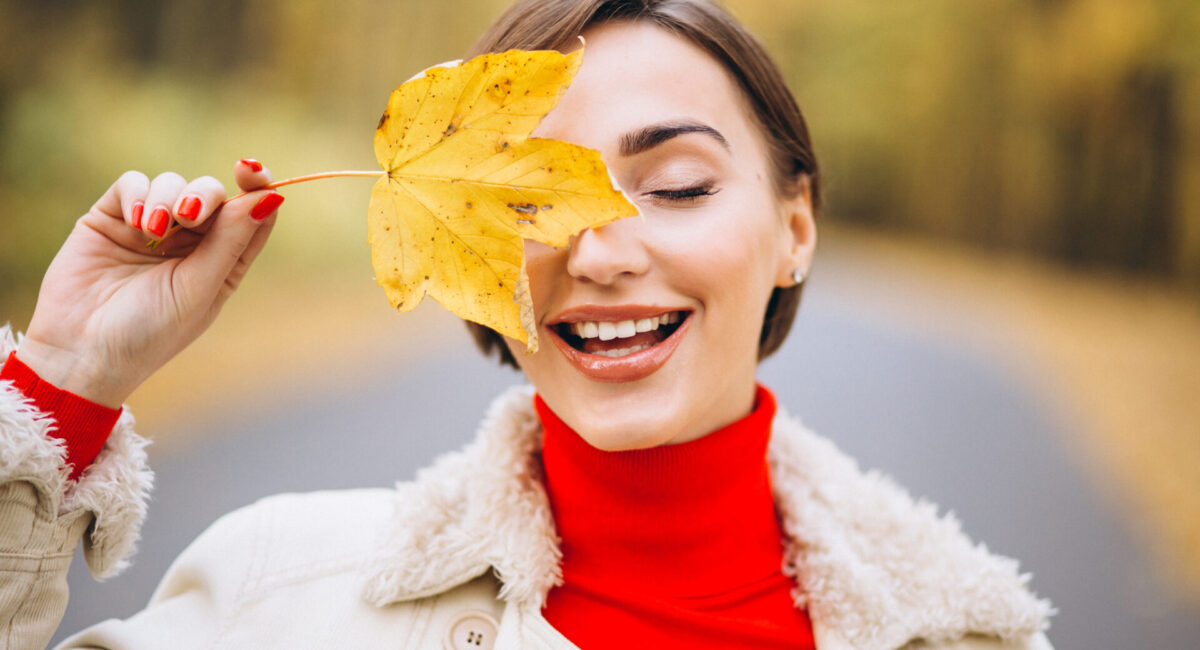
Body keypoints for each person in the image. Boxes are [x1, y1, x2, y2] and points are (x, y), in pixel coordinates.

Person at [0, 0, 1054, 648]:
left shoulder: (962, 633)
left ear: (795, 227)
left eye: (678, 184)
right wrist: (62, 378)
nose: (597, 251)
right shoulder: (281, 593)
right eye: (527, 202)